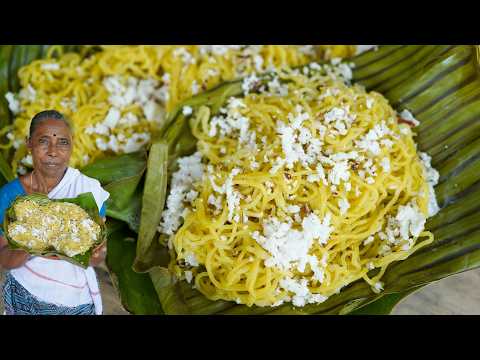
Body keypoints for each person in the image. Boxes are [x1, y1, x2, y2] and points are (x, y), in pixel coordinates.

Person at [0, 110, 110, 315]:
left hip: (75, 303)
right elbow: (4, 259)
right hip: (24, 297)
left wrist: (98, 252)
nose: (53, 151)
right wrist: (33, 241)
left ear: (72, 145)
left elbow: (95, 259)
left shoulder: (88, 191)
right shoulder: (10, 196)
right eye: (43, 141)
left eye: (62, 142)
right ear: (29, 143)